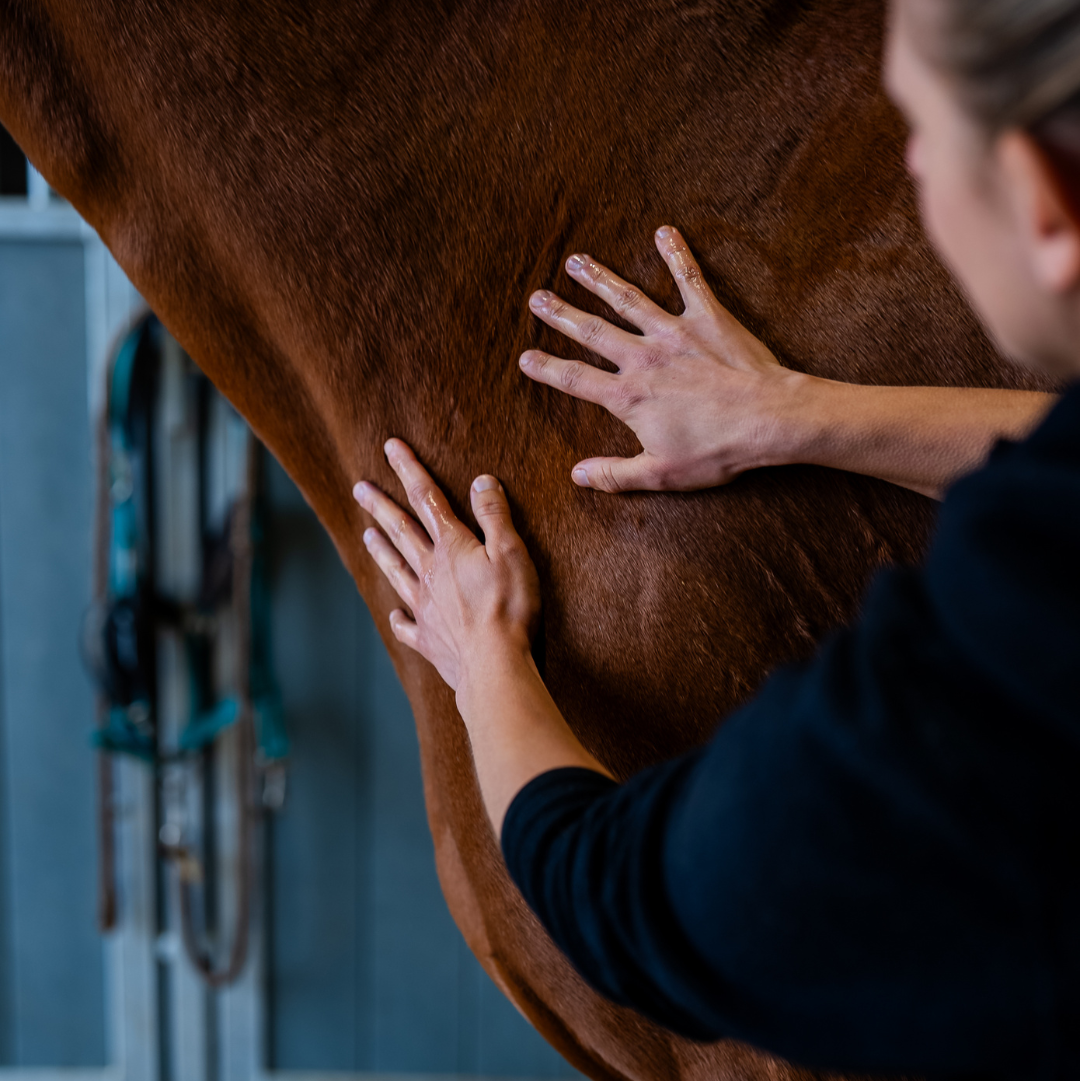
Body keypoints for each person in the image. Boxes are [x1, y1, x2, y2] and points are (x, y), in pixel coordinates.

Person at [351, 0, 1080, 1074]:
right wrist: (795, 414)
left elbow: (617, 899)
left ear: (1045, 205)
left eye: (919, 131)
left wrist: (485, 657)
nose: (916, 166)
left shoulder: (1006, 653)